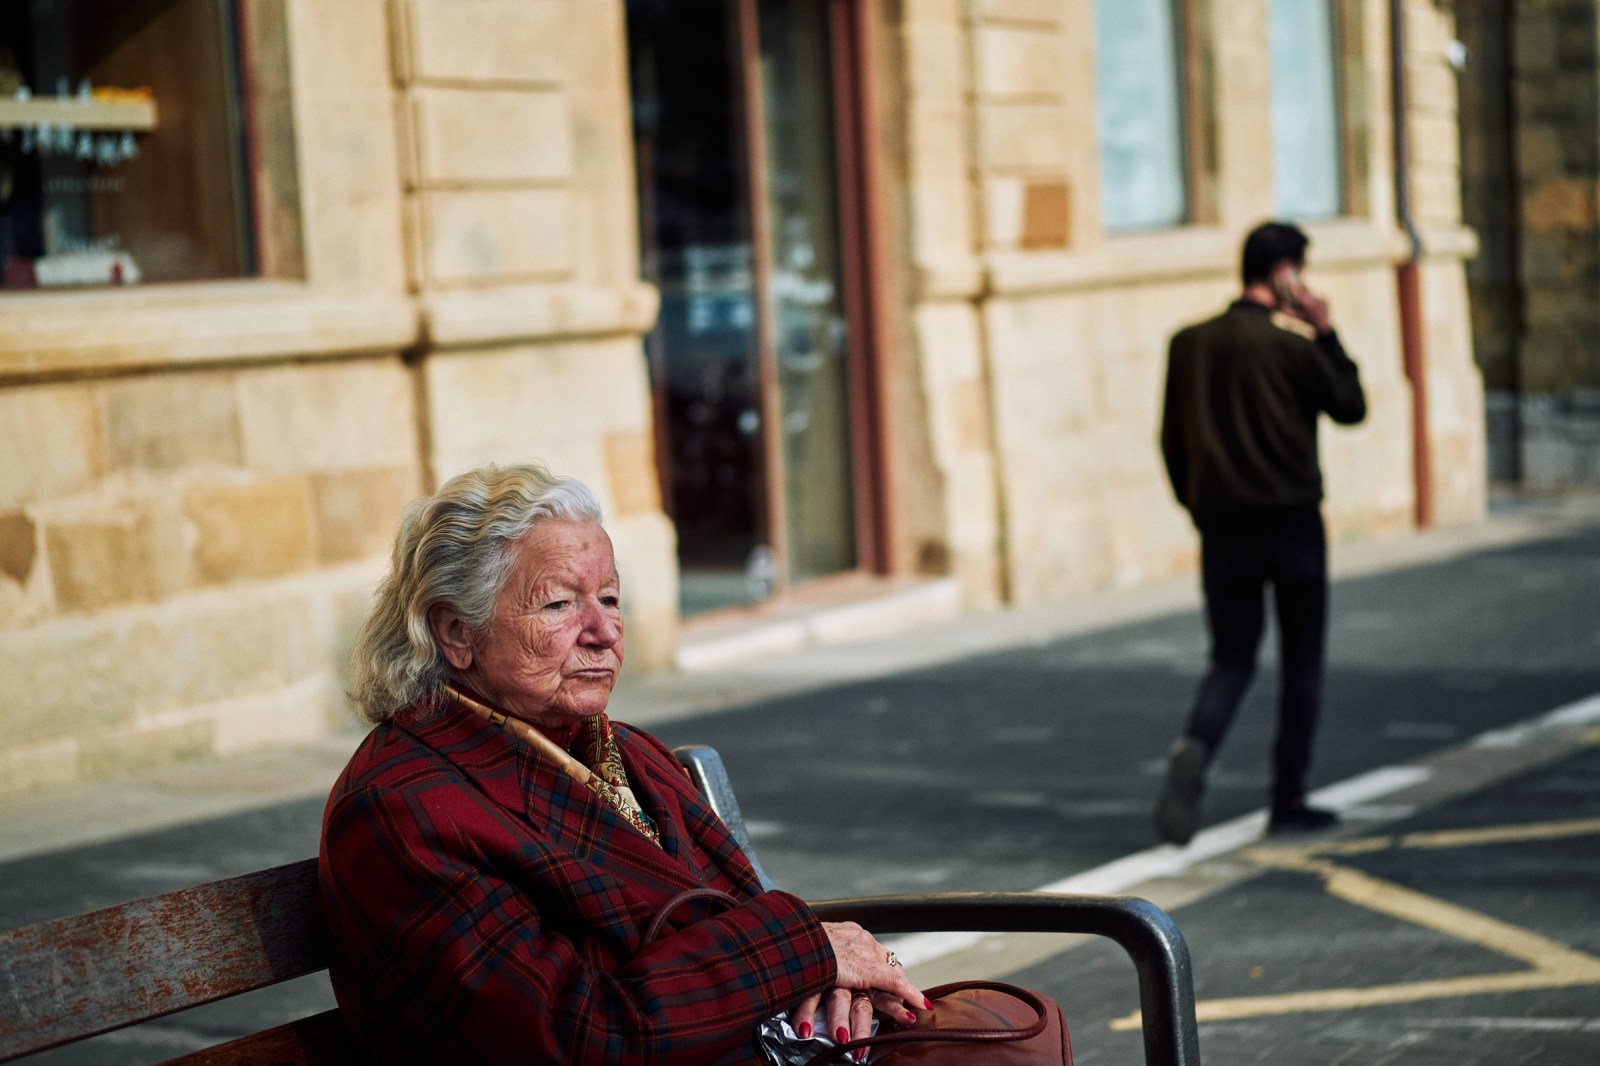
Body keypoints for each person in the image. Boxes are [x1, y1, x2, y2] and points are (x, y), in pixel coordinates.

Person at [317, 461, 927, 1064]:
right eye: (558, 605)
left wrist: (834, 977)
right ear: (455, 633)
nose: (603, 630)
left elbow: (747, 926)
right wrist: (804, 951)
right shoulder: (401, 810)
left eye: (609, 598)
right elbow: (579, 1036)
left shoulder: (626, 752)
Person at [1154, 221, 1367, 846]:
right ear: (1286, 275)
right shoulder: (1294, 348)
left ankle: (1196, 744)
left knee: (1231, 657)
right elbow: (1351, 406)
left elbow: (1171, 441)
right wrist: (1324, 329)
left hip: (1224, 529)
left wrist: (1198, 508)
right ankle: (1288, 798)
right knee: (1302, 661)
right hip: (1293, 525)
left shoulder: (1187, 344)